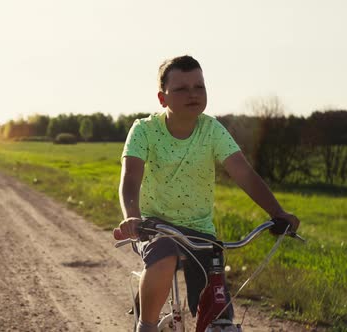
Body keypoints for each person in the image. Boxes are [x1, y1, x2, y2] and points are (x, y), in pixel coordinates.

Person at [115, 55, 300, 332]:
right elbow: (130, 178)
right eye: (181, 89)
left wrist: (277, 213)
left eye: (199, 87)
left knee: (215, 305)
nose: (193, 94)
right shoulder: (144, 131)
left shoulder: (212, 130)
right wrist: (132, 217)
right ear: (162, 98)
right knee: (164, 255)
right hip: (154, 227)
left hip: (200, 231)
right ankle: (147, 325)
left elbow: (244, 174)